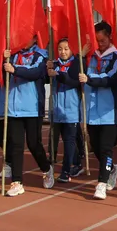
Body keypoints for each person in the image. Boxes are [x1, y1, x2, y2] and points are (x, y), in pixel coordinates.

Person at [2, 38, 55, 196]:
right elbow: (0, 73)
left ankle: (46, 168)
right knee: (16, 145)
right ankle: (16, 182)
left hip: (32, 107)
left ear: (32, 37)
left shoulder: (41, 55)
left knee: (33, 144)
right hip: (14, 107)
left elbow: (35, 72)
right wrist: (1, 59)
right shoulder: (12, 54)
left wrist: (14, 69)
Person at [79, 21, 117, 200]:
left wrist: (90, 79)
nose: (100, 45)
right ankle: (111, 169)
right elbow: (77, 72)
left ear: (109, 37)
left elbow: (111, 78)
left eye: (103, 40)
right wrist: (81, 55)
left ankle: (102, 183)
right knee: (95, 147)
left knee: (106, 148)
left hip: (108, 110)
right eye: (97, 41)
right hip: (91, 110)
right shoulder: (91, 56)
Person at [46, 38, 82, 183]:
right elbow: (43, 77)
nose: (63, 52)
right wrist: (46, 69)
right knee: (53, 141)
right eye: (60, 49)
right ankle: (50, 166)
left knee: (69, 141)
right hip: (56, 110)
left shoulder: (75, 65)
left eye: (66, 49)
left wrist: (58, 74)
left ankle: (67, 170)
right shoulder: (53, 64)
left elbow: (73, 81)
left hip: (71, 110)